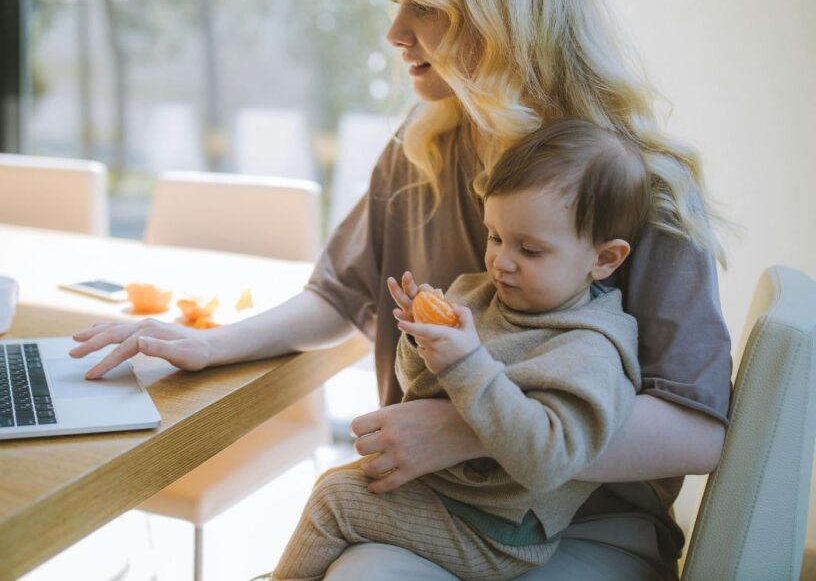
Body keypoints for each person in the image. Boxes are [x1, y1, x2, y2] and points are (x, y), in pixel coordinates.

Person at [70, 0, 731, 579]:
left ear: (501, 10)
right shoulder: (422, 147)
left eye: (426, 7)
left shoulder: (638, 183)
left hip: (587, 526)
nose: (395, 33)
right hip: (442, 501)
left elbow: (696, 431)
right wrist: (212, 343)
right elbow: (339, 295)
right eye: (395, 2)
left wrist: (468, 428)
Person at [271, 119, 650, 581]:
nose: (500, 262)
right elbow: (422, 389)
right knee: (340, 485)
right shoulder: (480, 294)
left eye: (530, 250)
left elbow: (548, 460)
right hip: (448, 494)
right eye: (495, 236)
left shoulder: (591, 348)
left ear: (604, 259)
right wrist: (422, 340)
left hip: (497, 531)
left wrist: (467, 363)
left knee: (335, 502)